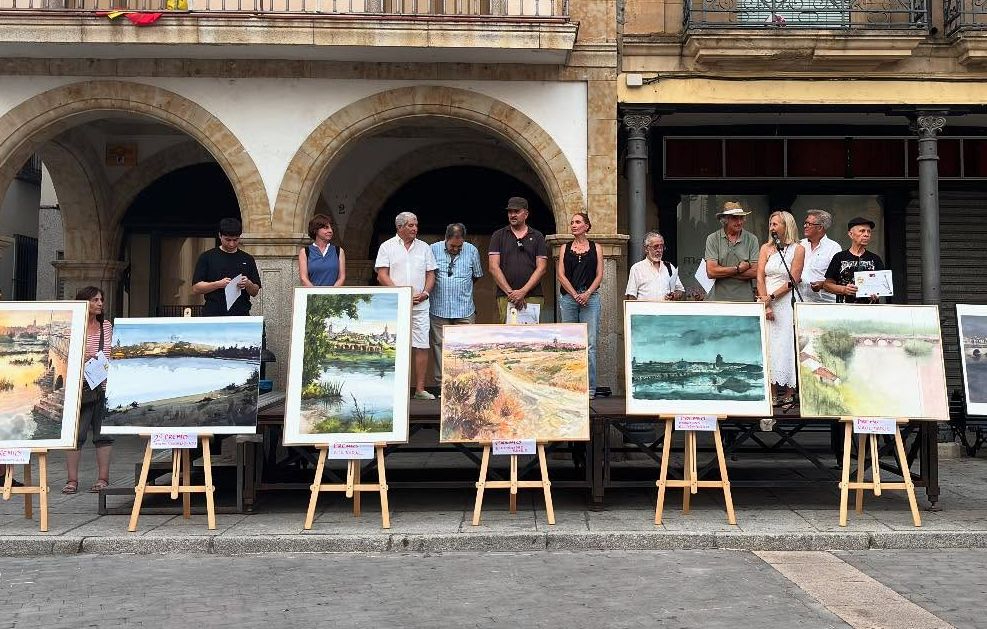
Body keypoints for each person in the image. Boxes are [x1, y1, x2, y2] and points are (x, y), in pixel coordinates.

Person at [376, 211, 437, 400]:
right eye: (411, 225)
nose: (415, 228)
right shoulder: (387, 247)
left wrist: (425, 293)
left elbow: (431, 274)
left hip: (421, 304)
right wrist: (402, 294)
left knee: (422, 345)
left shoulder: (424, 247)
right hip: (397, 304)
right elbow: (382, 275)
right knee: (395, 345)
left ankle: (419, 390)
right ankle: (395, 390)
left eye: (416, 225)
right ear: (400, 227)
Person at [63, 286, 114, 495]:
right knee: (76, 435)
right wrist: (82, 357)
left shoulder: (106, 326)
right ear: (83, 302)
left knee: (103, 435)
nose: (100, 303)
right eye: (95, 300)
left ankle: (103, 479)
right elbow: (67, 356)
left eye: (101, 300)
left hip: (103, 386)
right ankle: (72, 480)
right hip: (81, 387)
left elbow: (112, 352)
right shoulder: (74, 327)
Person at [756, 211, 805, 406]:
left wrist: (772, 297)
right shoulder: (765, 248)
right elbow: (760, 276)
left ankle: (789, 392)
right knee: (768, 345)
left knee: (785, 346)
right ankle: (772, 391)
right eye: (770, 224)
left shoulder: (798, 249)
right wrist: (766, 303)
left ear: (787, 226)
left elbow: (794, 279)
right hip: (766, 300)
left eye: (775, 224)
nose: (772, 228)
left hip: (785, 302)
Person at [430, 223, 483, 386]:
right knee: (439, 345)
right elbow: (428, 274)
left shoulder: (472, 250)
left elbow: (477, 275)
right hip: (439, 307)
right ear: (446, 239)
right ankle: (442, 385)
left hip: (464, 308)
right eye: (452, 246)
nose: (456, 249)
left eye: (459, 246)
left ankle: (464, 383)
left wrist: (461, 287)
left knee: (465, 346)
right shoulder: (433, 249)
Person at [557, 212, 604, 397]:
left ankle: (590, 388)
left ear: (586, 226)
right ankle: (570, 387)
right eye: (572, 222)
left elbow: (599, 274)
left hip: (590, 297)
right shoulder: (565, 248)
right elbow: (561, 275)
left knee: (590, 343)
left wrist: (587, 293)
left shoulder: (596, 247)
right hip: (569, 297)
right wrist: (575, 294)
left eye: (577, 222)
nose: (574, 225)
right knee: (570, 342)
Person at [488, 196, 549, 323]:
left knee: (532, 334)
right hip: (506, 296)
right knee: (508, 334)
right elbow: (493, 267)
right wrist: (512, 294)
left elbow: (542, 268)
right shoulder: (498, 235)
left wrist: (523, 291)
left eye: (516, 211)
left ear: (526, 214)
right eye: (510, 212)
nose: (512, 215)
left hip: (533, 295)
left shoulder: (537, 236)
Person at [192, 218, 261, 316]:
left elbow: (255, 291)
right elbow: (196, 288)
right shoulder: (207, 257)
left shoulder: (247, 259)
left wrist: (248, 284)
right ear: (220, 236)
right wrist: (218, 284)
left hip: (241, 315)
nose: (231, 244)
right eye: (228, 240)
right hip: (213, 314)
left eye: (235, 240)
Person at [704, 201, 760, 302]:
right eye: (735, 218)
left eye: (741, 218)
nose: (739, 222)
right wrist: (738, 269)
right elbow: (711, 272)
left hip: (745, 301)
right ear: (725, 220)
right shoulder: (713, 238)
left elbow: (755, 272)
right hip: (718, 300)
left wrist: (722, 271)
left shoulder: (752, 239)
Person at [822, 216, 884, 304]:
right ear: (851, 234)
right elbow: (827, 285)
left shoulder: (875, 259)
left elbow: (882, 286)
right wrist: (844, 289)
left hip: (870, 309)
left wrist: (877, 293)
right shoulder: (839, 257)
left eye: (869, 231)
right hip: (844, 309)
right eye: (862, 231)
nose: (866, 234)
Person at [625, 231, 685, 301]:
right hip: (645, 308)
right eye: (656, 247)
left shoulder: (669, 267)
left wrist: (674, 295)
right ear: (646, 249)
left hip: (666, 307)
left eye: (661, 246)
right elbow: (631, 296)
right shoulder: (637, 268)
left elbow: (680, 290)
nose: (659, 250)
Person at [798, 209, 842, 303]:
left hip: (824, 302)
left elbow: (838, 278)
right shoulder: (800, 244)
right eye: (805, 223)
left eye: (809, 224)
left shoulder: (834, 248)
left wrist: (822, 284)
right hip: (800, 300)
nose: (805, 226)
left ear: (820, 227)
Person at [299, 213, 346, 287]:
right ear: (315, 230)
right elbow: (303, 278)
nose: (330, 231)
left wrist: (331, 292)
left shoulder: (339, 251)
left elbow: (342, 278)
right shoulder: (305, 252)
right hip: (312, 293)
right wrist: (316, 293)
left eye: (331, 228)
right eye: (326, 228)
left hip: (334, 293)